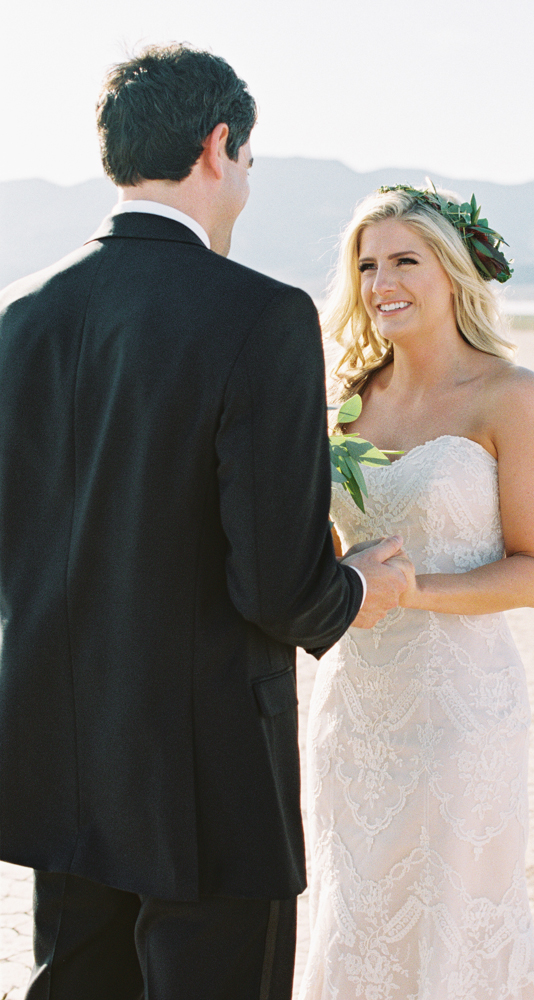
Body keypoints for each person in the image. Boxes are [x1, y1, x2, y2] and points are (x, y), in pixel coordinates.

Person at [0, 45, 408, 1000]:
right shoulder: (259, 314)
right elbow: (275, 580)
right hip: (208, 760)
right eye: (253, 159)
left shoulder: (22, 316)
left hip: (60, 740)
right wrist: (359, 590)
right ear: (220, 145)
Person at [300, 185, 534, 999]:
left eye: (405, 261)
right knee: (357, 910)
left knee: (456, 912)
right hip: (354, 711)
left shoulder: (510, 397)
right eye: (368, 263)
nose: (383, 280)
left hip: (462, 716)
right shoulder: (346, 402)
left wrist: (412, 593)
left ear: (452, 273)